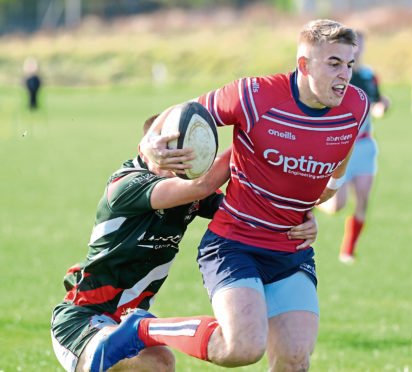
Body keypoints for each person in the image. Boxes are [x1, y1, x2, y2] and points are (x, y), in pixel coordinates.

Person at [135, 19, 370, 371]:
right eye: (334, 64)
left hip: (290, 250)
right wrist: (151, 144)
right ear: (304, 65)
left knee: (295, 360)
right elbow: (181, 112)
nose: (345, 76)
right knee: (242, 347)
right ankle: (140, 330)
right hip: (234, 243)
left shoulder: (356, 105)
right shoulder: (254, 95)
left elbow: (334, 172)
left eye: (349, 65)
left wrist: (311, 209)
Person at [50, 110, 319, 372]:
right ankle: (136, 328)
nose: (181, 161)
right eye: (171, 150)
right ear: (149, 148)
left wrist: (297, 220)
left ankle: (135, 329)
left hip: (120, 320)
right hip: (81, 319)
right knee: (108, 356)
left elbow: (247, 214)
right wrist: (249, 142)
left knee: (160, 362)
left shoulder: (186, 188)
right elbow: (199, 187)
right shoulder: (125, 184)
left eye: (188, 152)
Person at [316, 31, 390, 264]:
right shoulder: (338, 76)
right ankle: (311, 204)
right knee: (338, 204)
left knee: (363, 200)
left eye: (360, 46)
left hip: (366, 145)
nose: (357, 51)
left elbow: (377, 101)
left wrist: (382, 106)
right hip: (341, 147)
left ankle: (348, 250)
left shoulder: (369, 75)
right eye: (353, 47)